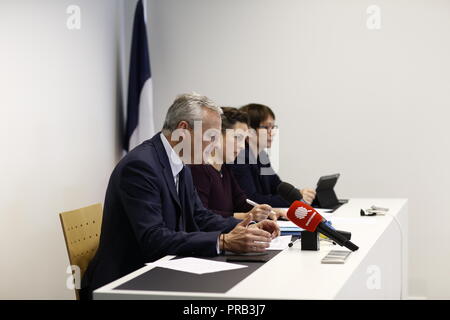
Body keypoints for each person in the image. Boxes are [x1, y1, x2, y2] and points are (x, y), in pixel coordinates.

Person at [80, 94, 280, 300]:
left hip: (162, 271)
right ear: (183, 130)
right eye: (210, 136)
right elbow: (153, 238)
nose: (214, 145)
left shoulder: (180, 162)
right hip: (127, 280)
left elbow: (200, 216)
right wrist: (224, 241)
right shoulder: (141, 166)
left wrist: (247, 228)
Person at [189, 107, 281, 221]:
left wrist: (270, 211)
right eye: (238, 138)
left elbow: (242, 202)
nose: (242, 146)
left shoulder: (226, 168)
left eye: (244, 139)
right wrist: (245, 216)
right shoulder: (198, 168)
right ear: (217, 135)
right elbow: (201, 216)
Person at [229, 103, 316, 207]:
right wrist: (296, 199)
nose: (272, 133)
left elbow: (278, 187)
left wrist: (299, 194)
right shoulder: (239, 157)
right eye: (266, 127)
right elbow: (251, 199)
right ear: (249, 130)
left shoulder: (262, 155)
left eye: (273, 127)